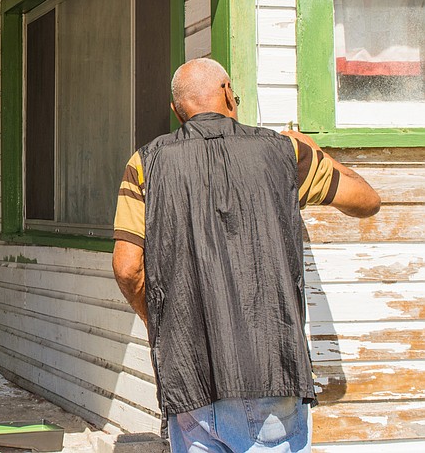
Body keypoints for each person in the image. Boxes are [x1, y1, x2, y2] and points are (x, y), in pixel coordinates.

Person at [112, 58, 380, 452]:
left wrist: (166, 326)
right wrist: (314, 150)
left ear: (177, 111)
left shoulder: (144, 164)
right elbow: (367, 200)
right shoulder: (285, 152)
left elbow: (127, 267)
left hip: (189, 378)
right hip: (270, 368)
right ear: (228, 93)